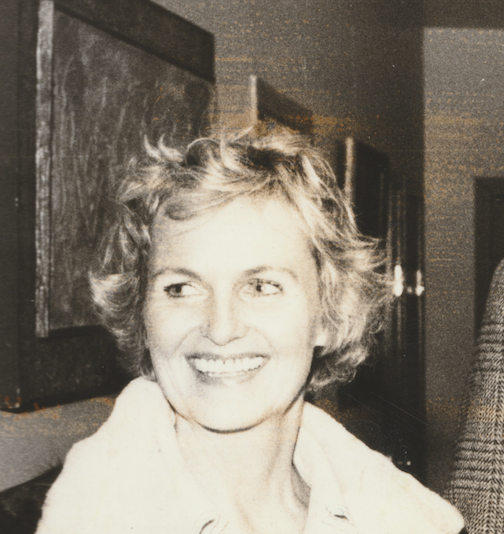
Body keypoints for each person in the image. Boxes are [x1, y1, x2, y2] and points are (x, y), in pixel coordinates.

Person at [35, 131, 465, 534]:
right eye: (181, 288)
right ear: (142, 315)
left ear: (328, 315)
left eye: (261, 287)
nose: (221, 328)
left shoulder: (400, 515)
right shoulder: (93, 515)